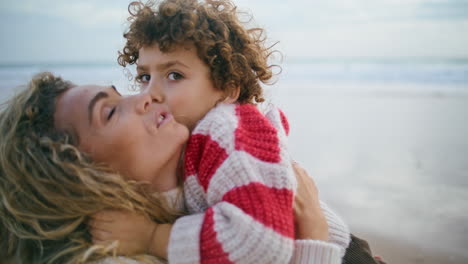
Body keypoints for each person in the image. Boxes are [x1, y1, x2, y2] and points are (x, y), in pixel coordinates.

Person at [86, 0, 350, 263]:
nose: (150, 93)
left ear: (228, 90)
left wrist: (152, 236)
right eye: (145, 77)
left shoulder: (226, 126)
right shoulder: (191, 142)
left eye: (174, 75)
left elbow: (259, 240)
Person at [0, 72, 345, 264]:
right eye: (109, 112)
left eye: (120, 94)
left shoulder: (203, 177)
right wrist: (314, 237)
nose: (146, 95)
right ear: (74, 176)